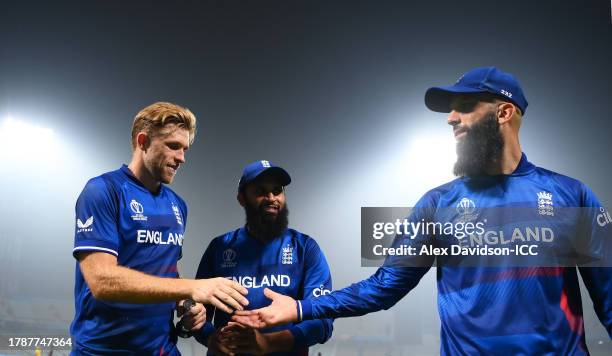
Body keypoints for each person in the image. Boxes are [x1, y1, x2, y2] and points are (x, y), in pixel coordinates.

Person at [233, 67, 612, 354]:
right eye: (451, 110)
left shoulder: (571, 195)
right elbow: (382, 288)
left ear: (504, 112)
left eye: (464, 106)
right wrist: (301, 308)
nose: (451, 118)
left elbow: (609, 299)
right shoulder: (437, 204)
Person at [70, 102, 249, 355]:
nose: (182, 158)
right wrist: (193, 287)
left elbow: (167, 271)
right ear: (143, 142)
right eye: (173, 146)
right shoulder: (103, 191)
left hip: (163, 348)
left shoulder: (177, 205)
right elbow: (101, 281)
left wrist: (186, 305)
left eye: (185, 149)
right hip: (104, 350)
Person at [180, 160, 333, 355]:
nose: (271, 197)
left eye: (277, 190)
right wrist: (211, 337)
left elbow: (323, 319)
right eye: (260, 191)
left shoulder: (305, 248)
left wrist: (270, 343)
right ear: (241, 198)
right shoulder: (220, 247)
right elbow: (198, 314)